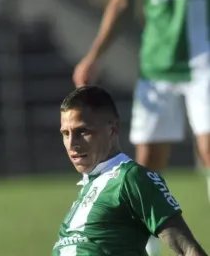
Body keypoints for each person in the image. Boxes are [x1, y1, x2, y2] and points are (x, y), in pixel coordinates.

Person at [72, 0, 210, 253]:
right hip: (157, 64)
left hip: (206, 59)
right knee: (148, 161)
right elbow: (121, 1)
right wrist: (95, 55)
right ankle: (145, 250)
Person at [52, 85, 207, 256]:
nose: (72, 143)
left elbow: (188, 249)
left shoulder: (131, 177)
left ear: (112, 129)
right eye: (65, 134)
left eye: (82, 131)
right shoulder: (90, 187)